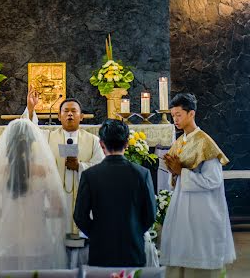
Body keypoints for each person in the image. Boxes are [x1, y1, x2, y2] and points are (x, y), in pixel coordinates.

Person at [0, 118, 67, 278]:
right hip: (37, 241)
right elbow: (58, 210)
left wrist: (7, 211)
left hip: (6, 241)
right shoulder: (44, 171)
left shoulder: (0, 172)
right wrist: (38, 212)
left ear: (8, 143)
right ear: (33, 143)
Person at [160, 93, 236, 277]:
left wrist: (181, 172)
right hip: (182, 207)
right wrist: (174, 174)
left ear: (191, 114)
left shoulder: (204, 142)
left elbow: (213, 180)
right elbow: (176, 177)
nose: (175, 119)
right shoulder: (180, 142)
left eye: (178, 115)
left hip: (202, 212)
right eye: (172, 115)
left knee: (199, 257)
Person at [73, 119, 156, 267]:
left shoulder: (90, 175)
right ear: (127, 143)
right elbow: (150, 215)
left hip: (101, 248)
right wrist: (134, 231)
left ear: (101, 144)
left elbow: (80, 215)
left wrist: (97, 233)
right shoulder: (142, 174)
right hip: (133, 247)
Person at [25, 90, 104, 235]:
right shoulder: (48, 137)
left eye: (74, 111)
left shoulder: (93, 140)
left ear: (81, 117)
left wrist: (80, 166)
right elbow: (30, 132)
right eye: (65, 111)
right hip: (55, 197)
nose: (69, 114)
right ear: (59, 116)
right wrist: (31, 110)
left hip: (82, 197)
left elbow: (100, 169)